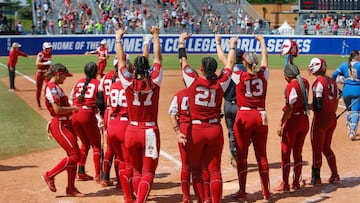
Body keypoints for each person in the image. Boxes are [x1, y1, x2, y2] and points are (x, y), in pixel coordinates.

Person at [178, 32, 237, 203]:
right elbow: (230, 64)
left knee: (196, 169)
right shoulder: (221, 82)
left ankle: (203, 199)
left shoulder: (192, 80)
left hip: (195, 129)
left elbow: (183, 61)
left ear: (202, 68)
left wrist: (182, 42)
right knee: (215, 170)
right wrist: (231, 45)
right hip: (214, 129)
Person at [115, 26, 162, 202]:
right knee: (148, 172)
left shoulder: (127, 81)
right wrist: (155, 35)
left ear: (133, 68)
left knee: (135, 170)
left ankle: (135, 198)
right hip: (149, 130)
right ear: (148, 68)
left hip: (131, 131)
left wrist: (118, 38)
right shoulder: (155, 79)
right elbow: (158, 57)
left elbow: (120, 60)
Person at [231, 35, 271, 201]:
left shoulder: (239, 75)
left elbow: (230, 63)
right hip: (261, 115)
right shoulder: (263, 75)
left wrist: (232, 46)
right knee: (262, 155)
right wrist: (262, 42)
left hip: (245, 115)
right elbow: (265, 60)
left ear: (244, 63)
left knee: (242, 156)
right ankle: (266, 193)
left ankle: (242, 191)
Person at [41, 63, 84, 197]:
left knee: (74, 155)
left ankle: (71, 188)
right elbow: (57, 110)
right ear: (58, 74)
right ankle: (49, 175)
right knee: (75, 155)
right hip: (59, 125)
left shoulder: (56, 88)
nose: (66, 78)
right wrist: (74, 108)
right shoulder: (52, 88)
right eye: (64, 76)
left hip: (66, 124)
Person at [168, 86, 211, 203]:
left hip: (184, 128)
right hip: (199, 128)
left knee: (186, 165)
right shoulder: (204, 94)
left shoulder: (179, 94)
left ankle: (186, 197)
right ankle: (206, 197)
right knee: (203, 165)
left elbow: (172, 113)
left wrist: (177, 131)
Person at [275, 64, 310, 192]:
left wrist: (281, 122)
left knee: (285, 153)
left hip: (293, 122)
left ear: (288, 76)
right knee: (298, 153)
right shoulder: (305, 82)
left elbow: (290, 107)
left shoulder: (291, 86)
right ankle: (295, 183)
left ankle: (285, 184)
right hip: (304, 120)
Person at [70, 62, 105, 183]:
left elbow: (72, 98)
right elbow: (101, 102)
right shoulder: (98, 83)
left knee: (85, 143)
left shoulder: (78, 82)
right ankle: (98, 175)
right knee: (96, 145)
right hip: (88, 115)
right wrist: (101, 115)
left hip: (75, 115)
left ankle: (80, 172)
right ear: (96, 72)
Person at [308, 58, 340, 185]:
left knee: (317, 148)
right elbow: (336, 101)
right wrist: (331, 111)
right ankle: (335, 174)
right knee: (326, 147)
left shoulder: (318, 83)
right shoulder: (332, 81)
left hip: (321, 119)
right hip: (332, 117)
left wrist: (307, 106)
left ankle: (316, 178)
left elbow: (318, 106)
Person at [215, 36, 246, 168]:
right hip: (241, 105)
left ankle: (234, 154)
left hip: (227, 105)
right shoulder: (246, 70)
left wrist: (218, 43)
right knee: (243, 132)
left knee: (231, 132)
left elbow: (223, 58)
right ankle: (240, 153)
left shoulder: (225, 70)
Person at [332, 50, 360, 140]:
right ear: (356, 56)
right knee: (356, 112)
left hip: (346, 90)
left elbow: (334, 75)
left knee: (348, 110)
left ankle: (348, 126)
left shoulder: (344, 64)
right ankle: (352, 131)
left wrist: (335, 86)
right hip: (357, 90)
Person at [35, 42, 53, 109]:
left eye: (50, 48)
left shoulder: (50, 54)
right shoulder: (41, 54)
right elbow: (37, 63)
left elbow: (49, 63)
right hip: (40, 73)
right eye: (48, 48)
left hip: (47, 73)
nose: (49, 49)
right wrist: (45, 63)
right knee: (38, 89)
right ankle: (38, 103)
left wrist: (51, 66)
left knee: (48, 87)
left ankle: (49, 103)